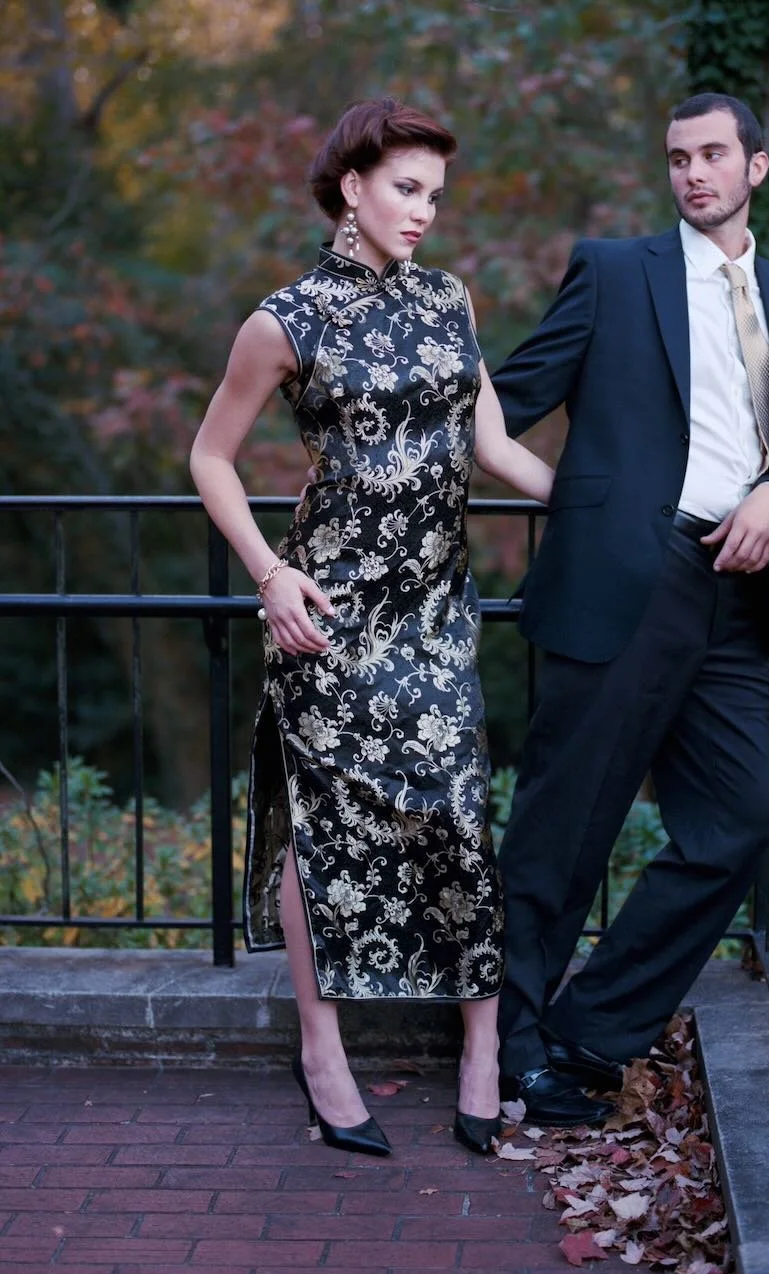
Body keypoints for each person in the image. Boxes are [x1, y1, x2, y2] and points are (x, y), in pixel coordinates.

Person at [189, 98, 553, 1157]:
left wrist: (592, 502)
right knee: (325, 832)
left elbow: (492, 443)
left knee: (455, 817)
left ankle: (481, 1050)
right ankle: (323, 1054)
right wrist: (268, 575)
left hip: (436, 609)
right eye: (406, 187)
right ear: (351, 187)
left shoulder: (449, 300)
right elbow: (210, 455)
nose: (424, 211)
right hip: (330, 610)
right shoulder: (286, 318)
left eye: (435, 194)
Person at [490, 93, 769, 1124]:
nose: (692, 173)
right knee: (564, 825)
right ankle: (508, 1053)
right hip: (623, 578)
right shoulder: (615, 270)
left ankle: (592, 1031)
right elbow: (502, 404)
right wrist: (586, 499)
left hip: (734, 589)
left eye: (712, 154)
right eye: (677, 157)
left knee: (737, 821)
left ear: (754, 167)